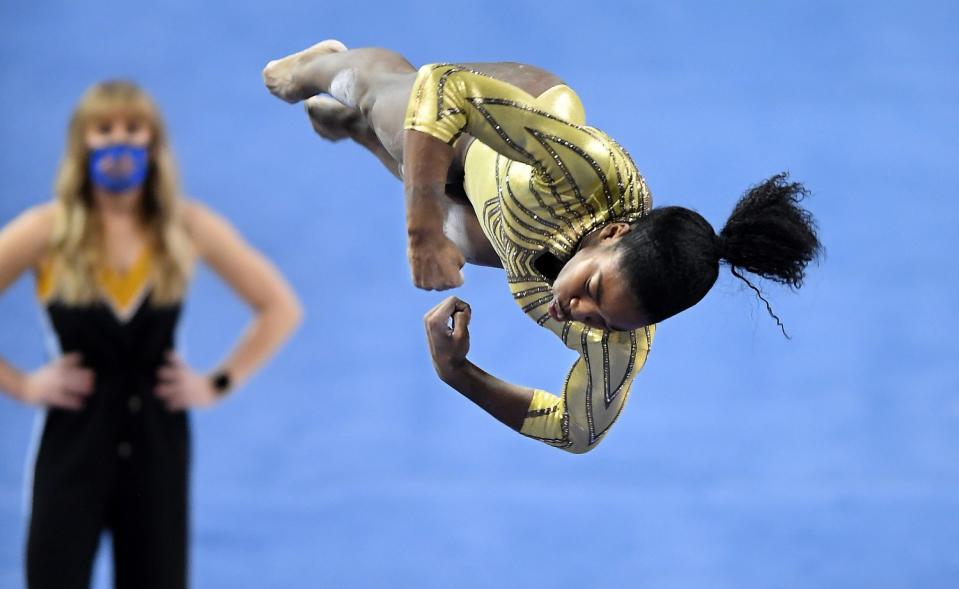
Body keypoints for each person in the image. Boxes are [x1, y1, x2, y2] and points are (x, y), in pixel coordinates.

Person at [262, 41, 820, 454]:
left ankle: (365, 136)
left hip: (503, 235)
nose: (576, 312)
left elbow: (576, 430)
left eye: (604, 322)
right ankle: (323, 70)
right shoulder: (581, 170)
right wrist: (421, 234)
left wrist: (459, 374)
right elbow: (444, 89)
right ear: (612, 234)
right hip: (496, 133)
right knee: (389, 99)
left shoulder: (621, 349)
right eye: (594, 289)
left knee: (443, 207)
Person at [0, 80, 303, 589]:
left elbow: (279, 307)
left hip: (156, 446)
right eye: (104, 129)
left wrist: (217, 383)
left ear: (152, 143)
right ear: (83, 143)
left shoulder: (184, 226)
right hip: (73, 442)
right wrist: (24, 385)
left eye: (133, 128)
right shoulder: (46, 231)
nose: (119, 140)